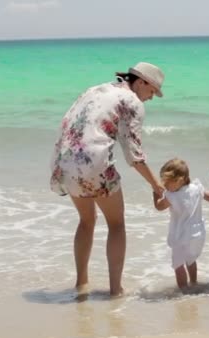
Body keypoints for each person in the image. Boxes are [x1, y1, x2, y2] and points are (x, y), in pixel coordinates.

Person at [50, 62, 166, 297]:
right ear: (141, 82)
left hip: (65, 160)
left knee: (86, 221)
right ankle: (115, 290)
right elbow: (134, 155)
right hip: (93, 162)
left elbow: (68, 122)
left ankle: (81, 284)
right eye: (152, 91)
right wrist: (157, 186)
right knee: (116, 224)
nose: (151, 98)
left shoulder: (95, 89)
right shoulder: (131, 101)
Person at [152, 158, 209, 290]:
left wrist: (155, 193)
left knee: (178, 265)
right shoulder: (197, 188)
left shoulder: (172, 196)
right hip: (198, 234)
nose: (165, 185)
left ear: (181, 179)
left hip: (180, 235)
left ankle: (183, 291)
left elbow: (159, 206)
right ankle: (193, 283)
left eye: (168, 182)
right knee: (191, 260)